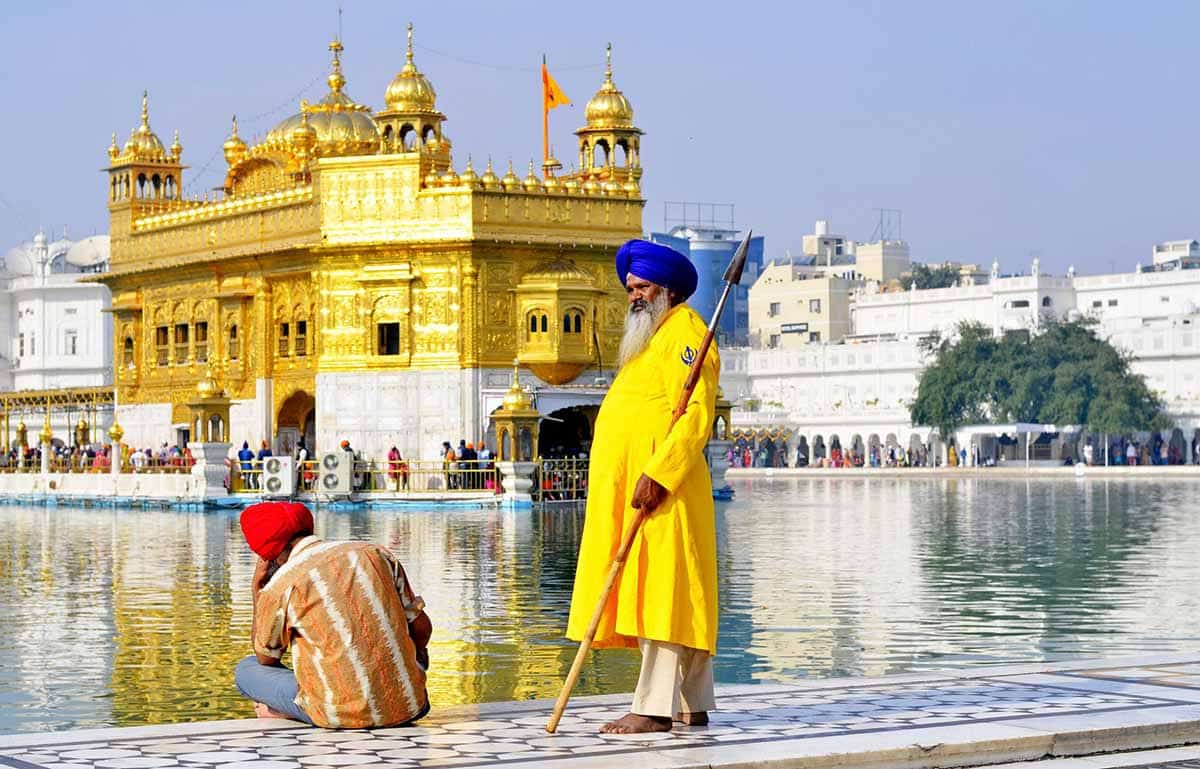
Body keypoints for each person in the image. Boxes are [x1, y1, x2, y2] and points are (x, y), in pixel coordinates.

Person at [567, 239, 718, 735]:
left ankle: (652, 708)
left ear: (667, 291)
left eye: (642, 287)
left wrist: (660, 473)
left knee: (665, 590)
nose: (633, 295)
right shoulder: (652, 336)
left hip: (663, 486)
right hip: (641, 486)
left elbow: (696, 413)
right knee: (675, 590)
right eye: (630, 288)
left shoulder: (687, 333)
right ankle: (690, 703)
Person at [234, 500, 432, 728]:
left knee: (247, 670)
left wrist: (258, 591)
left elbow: (267, 657)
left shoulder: (281, 585)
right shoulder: (375, 554)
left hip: (338, 716)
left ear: (267, 556)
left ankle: (291, 711)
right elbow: (422, 627)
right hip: (412, 706)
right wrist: (414, 664)